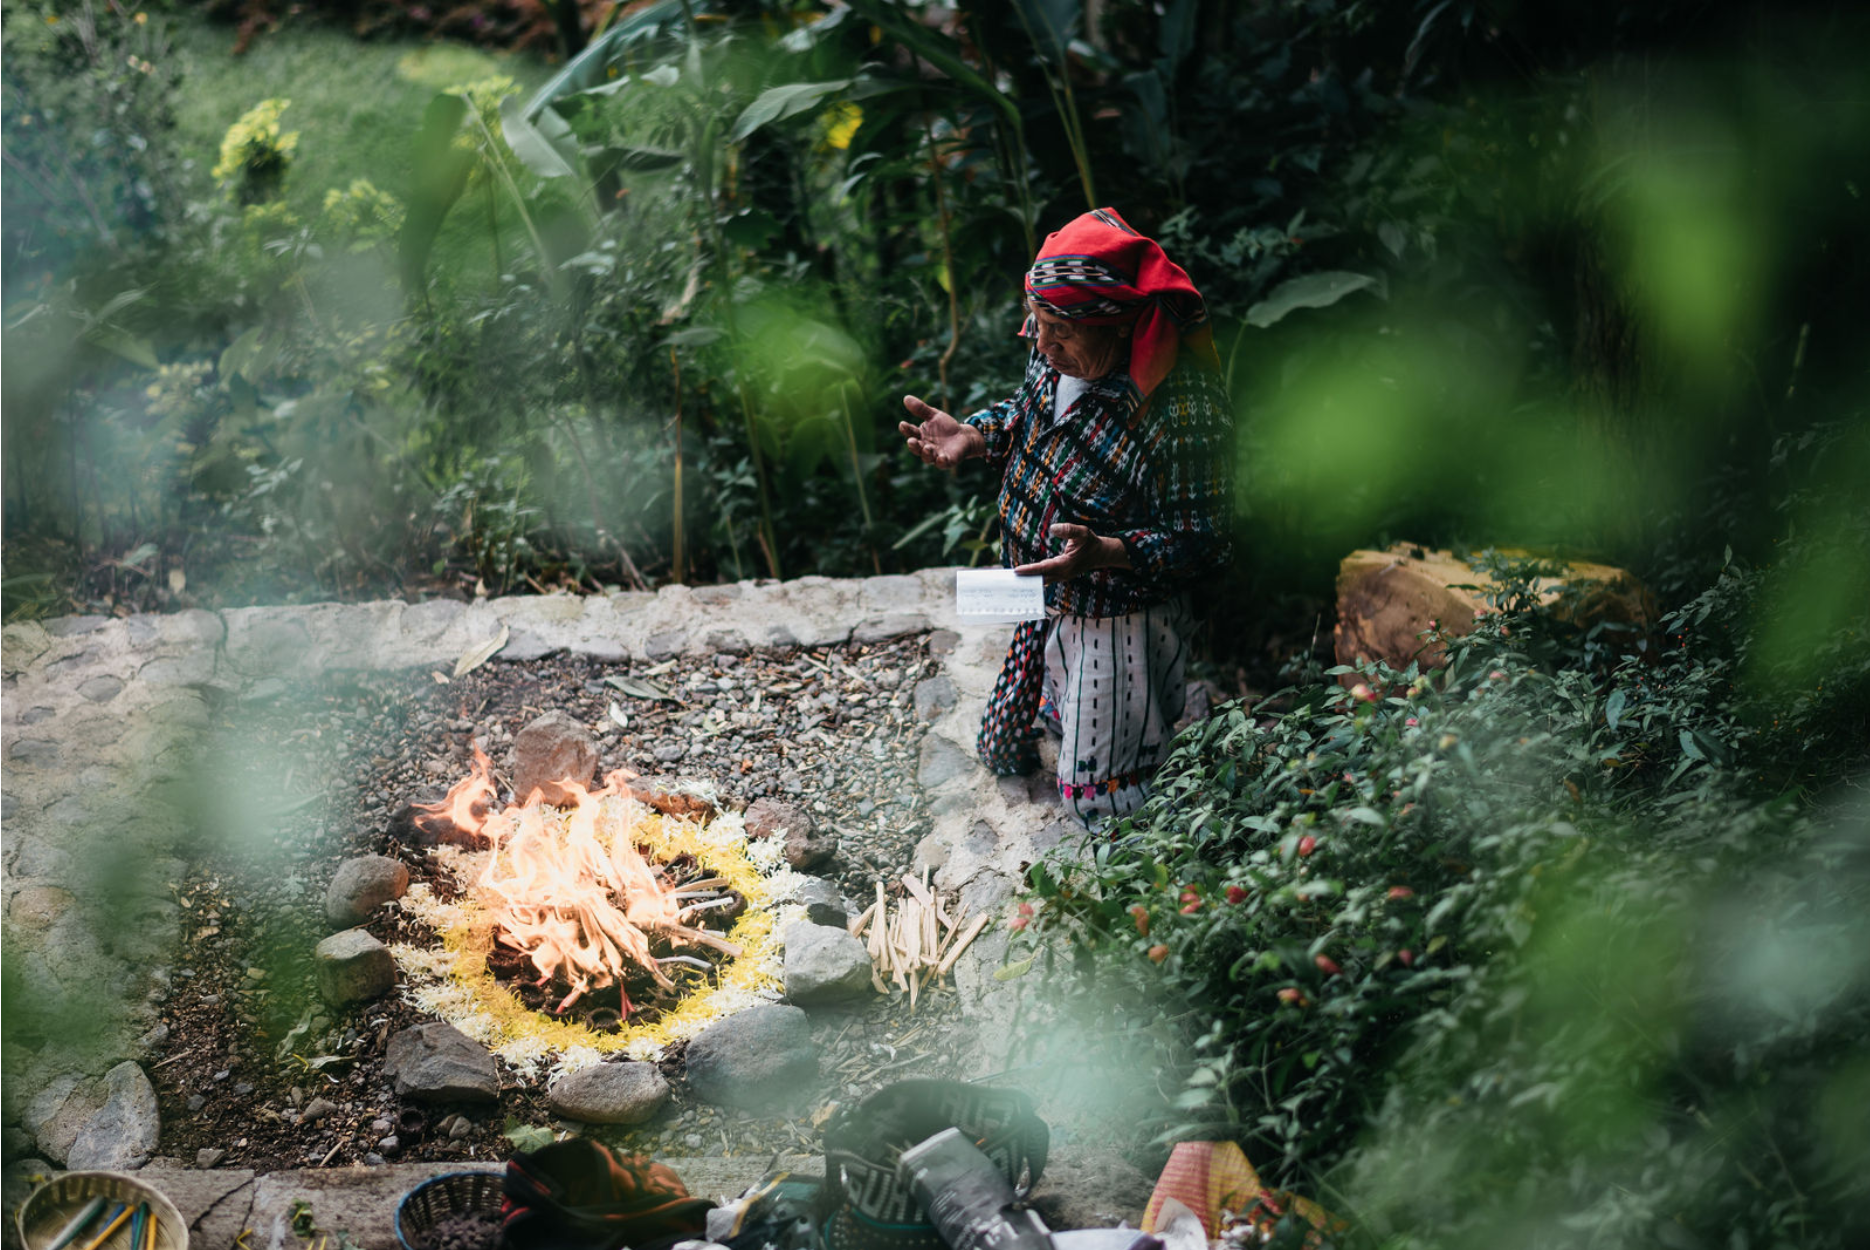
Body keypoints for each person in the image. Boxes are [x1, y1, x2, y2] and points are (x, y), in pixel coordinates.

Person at [899, 208, 1234, 826]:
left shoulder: (1181, 407)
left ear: (1119, 327)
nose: (1043, 344)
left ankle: (1124, 876)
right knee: (1008, 734)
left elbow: (1206, 542)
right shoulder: (1054, 355)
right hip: (1038, 587)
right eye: (1037, 323)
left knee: (1102, 792)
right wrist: (977, 435)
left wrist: (1107, 552)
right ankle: (1096, 707)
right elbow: (1027, 413)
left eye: (1060, 330)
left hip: (1118, 616)